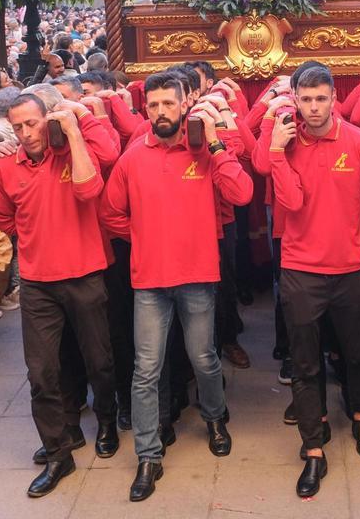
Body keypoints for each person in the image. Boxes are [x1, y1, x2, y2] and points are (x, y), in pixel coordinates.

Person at [103, 72, 253, 501]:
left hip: (198, 275)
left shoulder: (205, 152)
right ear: (145, 109)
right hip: (149, 279)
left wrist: (216, 143)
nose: (161, 112)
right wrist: (146, 236)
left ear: (186, 104)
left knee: (204, 358)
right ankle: (149, 454)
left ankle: (214, 416)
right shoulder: (134, 157)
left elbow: (242, 195)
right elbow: (111, 212)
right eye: (153, 106)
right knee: (146, 369)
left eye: (169, 104)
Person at [257, 65, 360, 497]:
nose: (313, 108)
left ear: (334, 99)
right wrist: (275, 150)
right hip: (301, 270)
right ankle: (313, 446)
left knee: (356, 353)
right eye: (305, 100)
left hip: (349, 268)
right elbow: (289, 200)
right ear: (294, 98)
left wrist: (342, 230)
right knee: (305, 361)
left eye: (321, 99)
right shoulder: (284, 142)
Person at [0, 94, 120, 498]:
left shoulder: (70, 153)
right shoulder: (3, 166)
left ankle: (107, 422)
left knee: (98, 360)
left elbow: (88, 190)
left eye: (32, 124)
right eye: (18, 126)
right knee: (42, 372)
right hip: (37, 282)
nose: (26, 133)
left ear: (49, 120)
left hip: (84, 273)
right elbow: (4, 218)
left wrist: (75, 132)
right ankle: (58, 450)